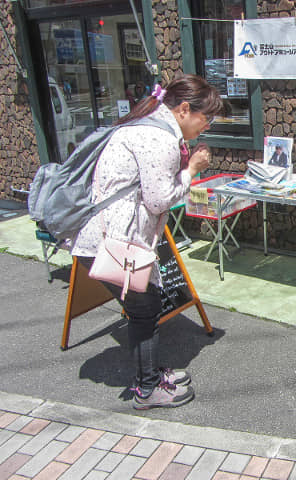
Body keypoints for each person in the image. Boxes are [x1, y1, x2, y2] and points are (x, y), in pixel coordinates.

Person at [71, 74, 223, 409]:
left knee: (144, 308)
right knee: (145, 311)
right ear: (184, 109)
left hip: (109, 237)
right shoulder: (158, 139)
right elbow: (160, 199)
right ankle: (147, 389)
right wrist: (192, 169)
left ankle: (151, 372)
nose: (206, 126)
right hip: (114, 243)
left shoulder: (147, 127)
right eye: (205, 117)